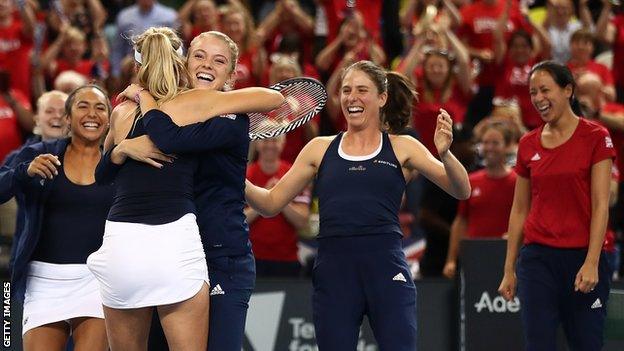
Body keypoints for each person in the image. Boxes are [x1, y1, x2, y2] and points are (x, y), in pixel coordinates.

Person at [245, 60, 470, 350]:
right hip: (335, 271)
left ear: (382, 98)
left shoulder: (403, 146)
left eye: (362, 90)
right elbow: (271, 204)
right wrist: (237, 180)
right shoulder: (319, 148)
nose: (352, 97)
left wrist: (446, 153)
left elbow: (461, 189)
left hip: (386, 269)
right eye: (346, 90)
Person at [92, 28, 284, 351]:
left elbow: (169, 140)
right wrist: (122, 150)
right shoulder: (175, 108)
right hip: (170, 250)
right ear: (183, 62)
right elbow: (106, 170)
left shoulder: (227, 116)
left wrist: (145, 98)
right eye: (199, 55)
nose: (207, 64)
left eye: (218, 60)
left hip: (221, 253)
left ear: (231, 74)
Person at [498, 61, 614, 350]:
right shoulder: (527, 144)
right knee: (538, 345)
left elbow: (601, 204)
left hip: (584, 257)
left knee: (586, 344)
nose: (538, 98)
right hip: (538, 259)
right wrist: (509, 268)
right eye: (533, 92)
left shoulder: (597, 137)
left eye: (545, 90)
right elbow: (520, 209)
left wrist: (592, 262)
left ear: (568, 91)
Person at [0, 84, 112, 351]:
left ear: (109, 119)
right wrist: (23, 173)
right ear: (68, 118)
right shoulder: (37, 153)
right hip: (43, 281)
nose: (92, 114)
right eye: (82, 106)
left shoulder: (118, 161)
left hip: (96, 280)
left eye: (100, 108)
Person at [443, 121, 517, 278]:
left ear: (508, 146)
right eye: (485, 142)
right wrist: (451, 260)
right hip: (475, 257)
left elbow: (525, 215)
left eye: (495, 143)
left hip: (507, 257)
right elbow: (460, 221)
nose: (489, 147)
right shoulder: (471, 181)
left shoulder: (517, 182)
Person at [245, 132, 311, 278]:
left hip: (286, 259)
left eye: (275, 140)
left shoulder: (293, 175)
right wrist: (265, 197)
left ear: (282, 144)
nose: (270, 145)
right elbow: (235, 219)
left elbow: (302, 221)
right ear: (256, 144)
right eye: (265, 140)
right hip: (251, 258)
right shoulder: (246, 176)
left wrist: (279, 197)